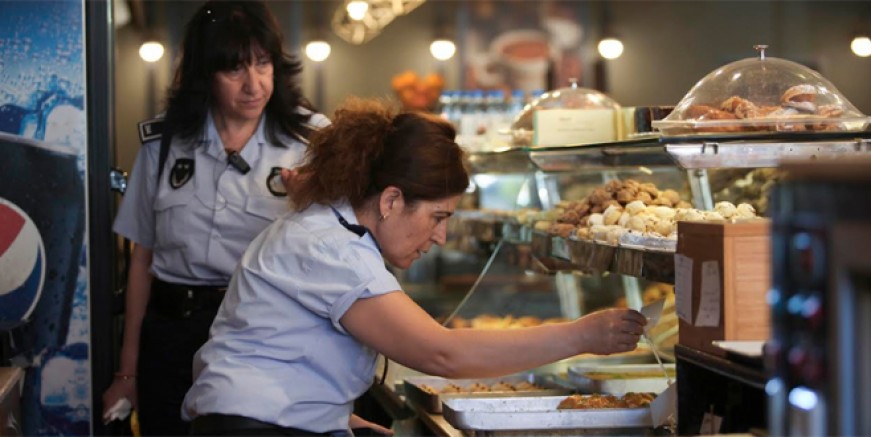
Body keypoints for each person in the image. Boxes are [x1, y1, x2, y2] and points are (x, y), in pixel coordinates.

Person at [181, 97, 648, 436]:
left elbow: (283, 353)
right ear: (390, 200)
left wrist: (342, 421)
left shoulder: (328, 230)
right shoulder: (329, 247)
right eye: (438, 217)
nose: (440, 236)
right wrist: (583, 336)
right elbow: (440, 355)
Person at [101, 1, 328, 435]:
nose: (253, 85)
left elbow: (335, 256)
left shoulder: (310, 142)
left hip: (262, 340)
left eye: (263, 64)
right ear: (205, 74)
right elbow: (141, 262)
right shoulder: (164, 144)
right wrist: (126, 374)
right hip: (170, 337)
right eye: (234, 70)